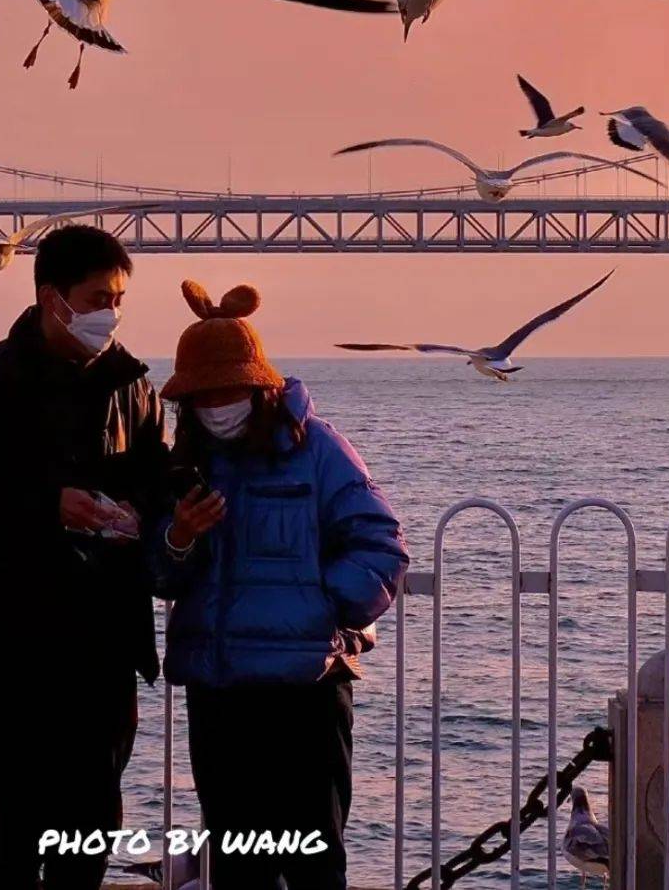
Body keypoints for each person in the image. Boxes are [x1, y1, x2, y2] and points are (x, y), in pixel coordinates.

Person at [0, 225, 170, 890]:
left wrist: (144, 509)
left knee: (94, 816)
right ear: (53, 298)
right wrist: (47, 504)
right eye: (97, 296)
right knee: (22, 811)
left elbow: (155, 475)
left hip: (105, 633)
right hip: (14, 632)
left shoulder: (132, 385)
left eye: (118, 296)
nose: (110, 311)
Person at [152, 280, 408, 890]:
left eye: (230, 388)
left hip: (306, 690)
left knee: (315, 862)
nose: (219, 403)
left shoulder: (317, 448)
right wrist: (179, 537)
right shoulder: (184, 461)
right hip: (219, 689)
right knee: (238, 866)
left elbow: (381, 545)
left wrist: (321, 608)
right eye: (204, 394)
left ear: (259, 383)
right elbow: (160, 575)